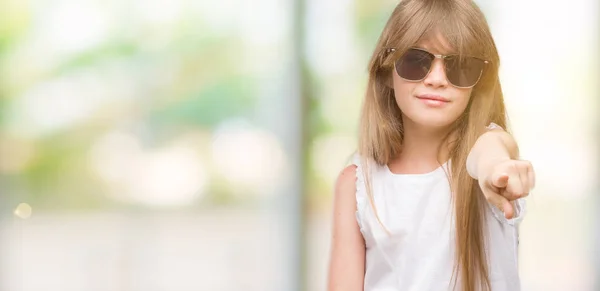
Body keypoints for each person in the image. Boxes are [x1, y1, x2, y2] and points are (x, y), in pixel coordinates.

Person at [326, 1, 535, 291]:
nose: (436, 79)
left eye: (461, 65)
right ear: (387, 70)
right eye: (416, 60)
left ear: (480, 82)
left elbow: (492, 152)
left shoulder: (486, 149)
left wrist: (496, 170)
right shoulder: (357, 183)